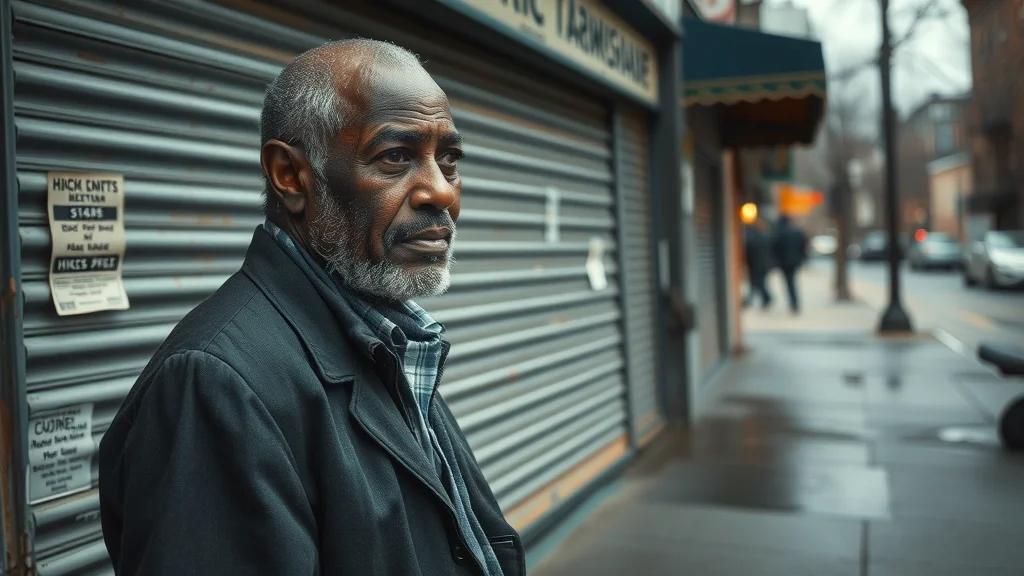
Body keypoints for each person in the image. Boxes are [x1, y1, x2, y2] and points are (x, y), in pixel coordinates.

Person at [98, 39, 523, 576]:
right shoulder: (215, 387)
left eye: (449, 160)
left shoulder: (387, 337)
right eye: (395, 157)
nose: (441, 192)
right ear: (290, 176)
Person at [772, 214, 809, 314]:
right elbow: (804, 246)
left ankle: (793, 303)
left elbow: (775, 248)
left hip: (784, 262)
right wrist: (802, 259)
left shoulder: (779, 232)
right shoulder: (796, 232)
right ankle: (794, 303)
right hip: (794, 261)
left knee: (789, 283)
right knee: (792, 281)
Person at [742, 217, 774, 309]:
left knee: (758, 283)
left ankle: (766, 298)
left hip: (755, 265)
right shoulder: (766, 237)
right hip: (763, 264)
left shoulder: (752, 238)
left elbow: (748, 253)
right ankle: (762, 299)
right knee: (760, 282)